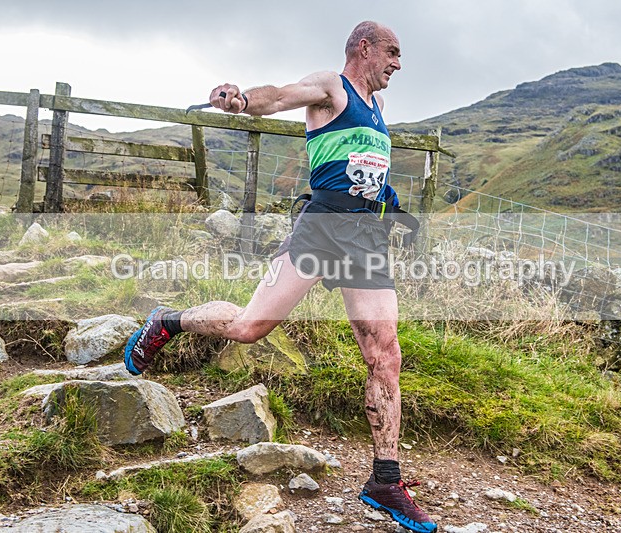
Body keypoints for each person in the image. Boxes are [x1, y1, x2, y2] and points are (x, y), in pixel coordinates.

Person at [124, 20, 437, 533]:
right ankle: (168, 322)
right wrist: (241, 99)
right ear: (365, 47)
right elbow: (278, 96)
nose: (398, 64)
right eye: (393, 53)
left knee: (386, 352)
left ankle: (385, 480)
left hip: (364, 239)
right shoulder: (331, 88)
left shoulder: (378, 110)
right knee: (249, 327)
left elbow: (364, 170)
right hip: (319, 231)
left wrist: (392, 203)